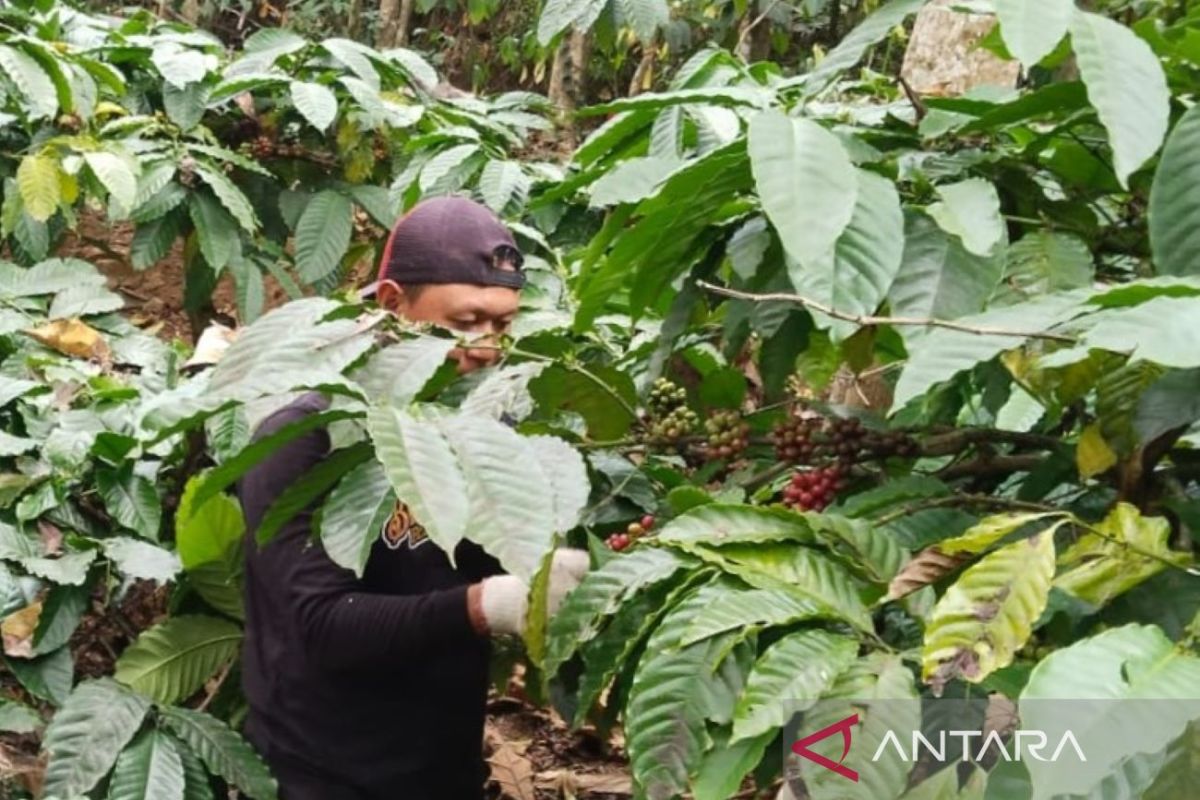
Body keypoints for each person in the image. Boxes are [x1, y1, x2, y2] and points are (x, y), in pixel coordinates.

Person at [236, 196, 589, 800]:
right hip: (322, 778)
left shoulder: (485, 435)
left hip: (442, 769)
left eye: (503, 325)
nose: (487, 348)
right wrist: (488, 605)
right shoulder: (306, 435)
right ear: (391, 304)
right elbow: (319, 626)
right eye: (464, 322)